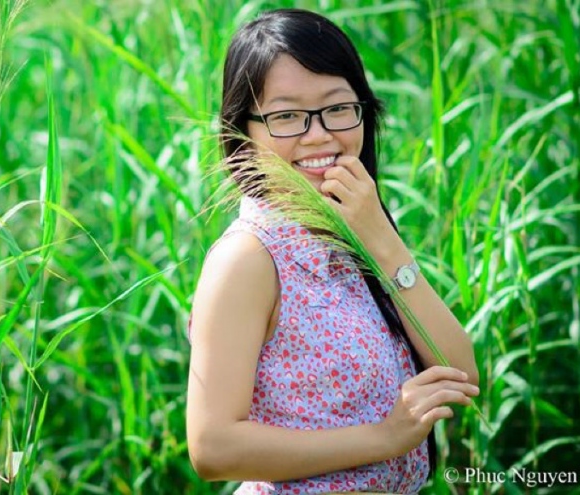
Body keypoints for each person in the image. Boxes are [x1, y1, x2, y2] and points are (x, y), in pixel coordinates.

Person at [184, 9, 480, 494]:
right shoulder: (248, 260)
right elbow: (213, 447)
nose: (319, 134)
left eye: (337, 108)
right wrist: (383, 438)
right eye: (286, 116)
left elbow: (461, 373)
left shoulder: (350, 238)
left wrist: (380, 237)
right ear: (243, 131)